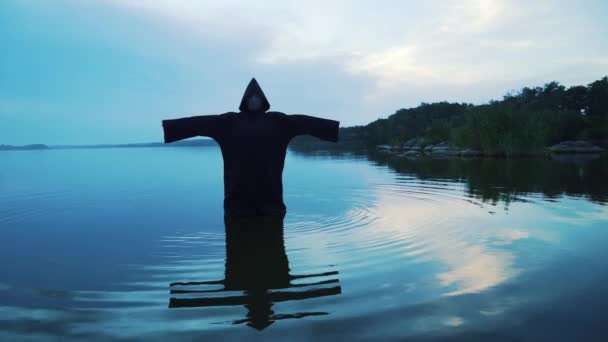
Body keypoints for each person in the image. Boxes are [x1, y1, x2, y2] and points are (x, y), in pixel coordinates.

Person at [162, 78, 340, 217]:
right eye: (251, 98)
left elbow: (304, 121)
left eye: (257, 98)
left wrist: (330, 128)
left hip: (271, 200)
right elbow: (200, 123)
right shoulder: (229, 122)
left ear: (262, 100)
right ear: (245, 100)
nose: (254, 100)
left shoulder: (277, 121)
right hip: (237, 202)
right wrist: (172, 128)